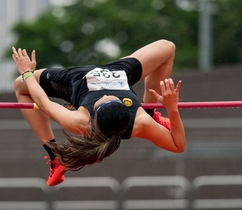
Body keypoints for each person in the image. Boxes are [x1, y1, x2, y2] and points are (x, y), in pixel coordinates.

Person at [12, 39, 185, 186]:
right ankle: (151, 112)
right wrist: (172, 109)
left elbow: (42, 101)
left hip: (76, 80)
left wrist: (27, 72)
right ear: (128, 107)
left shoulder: (81, 121)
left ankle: (55, 158)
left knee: (21, 86)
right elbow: (178, 145)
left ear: (94, 115)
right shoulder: (140, 122)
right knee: (167, 47)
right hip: (118, 74)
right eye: (116, 98)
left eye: (105, 98)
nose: (107, 93)